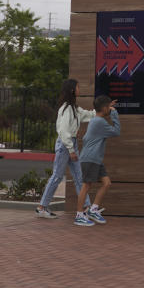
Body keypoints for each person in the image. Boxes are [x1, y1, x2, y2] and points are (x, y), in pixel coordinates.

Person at [36, 79, 93, 220]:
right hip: (65, 145)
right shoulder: (67, 109)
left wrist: (103, 110)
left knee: (79, 177)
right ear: (72, 90)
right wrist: (71, 149)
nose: (80, 89)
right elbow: (63, 131)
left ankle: (87, 207)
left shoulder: (74, 108)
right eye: (78, 87)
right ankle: (42, 207)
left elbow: (87, 115)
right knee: (57, 176)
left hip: (70, 144)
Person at [75, 95, 120, 226]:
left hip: (96, 159)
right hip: (90, 158)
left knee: (106, 183)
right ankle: (79, 215)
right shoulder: (99, 122)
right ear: (105, 108)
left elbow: (103, 110)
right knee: (86, 186)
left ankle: (93, 209)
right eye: (109, 107)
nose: (110, 109)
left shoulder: (96, 120)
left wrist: (107, 106)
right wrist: (115, 113)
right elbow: (116, 131)